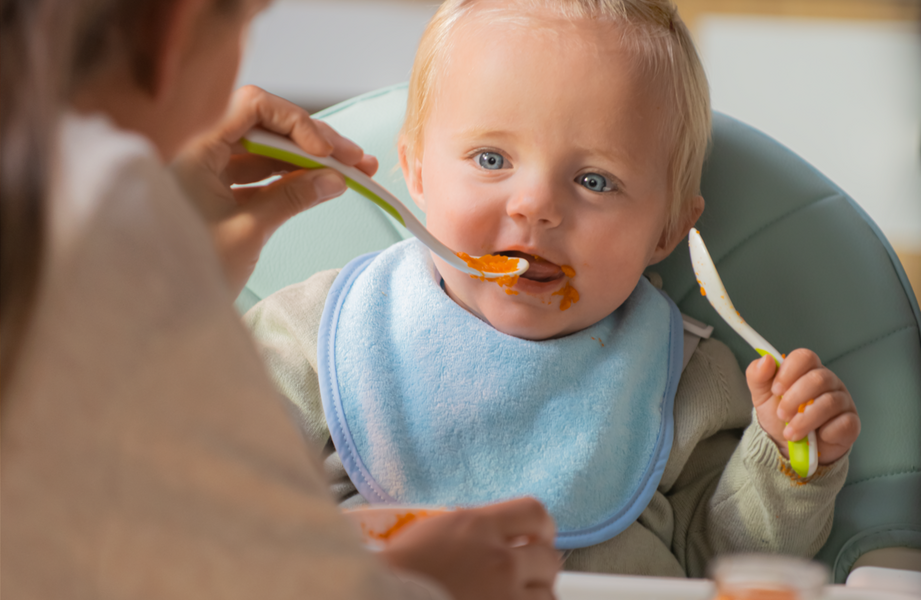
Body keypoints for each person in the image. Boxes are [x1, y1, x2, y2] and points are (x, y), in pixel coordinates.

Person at [245, 0, 862, 578]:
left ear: (668, 229)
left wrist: (786, 462)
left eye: (595, 180)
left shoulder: (687, 382)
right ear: (417, 171)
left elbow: (721, 561)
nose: (536, 205)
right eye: (491, 159)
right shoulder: (315, 333)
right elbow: (195, 486)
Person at [0, 0, 561, 598]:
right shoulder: (118, 242)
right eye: (247, 25)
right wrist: (414, 585)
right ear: (174, 30)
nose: (535, 206)